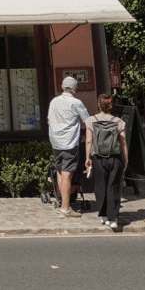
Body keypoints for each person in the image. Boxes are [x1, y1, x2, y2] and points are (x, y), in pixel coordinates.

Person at [47, 75, 89, 217]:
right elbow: (88, 122)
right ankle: (65, 208)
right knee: (67, 173)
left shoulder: (54, 101)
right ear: (75, 88)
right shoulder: (76, 103)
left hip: (55, 141)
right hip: (69, 141)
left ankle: (63, 203)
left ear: (62, 87)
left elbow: (48, 120)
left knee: (60, 171)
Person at [85, 93, 128, 232]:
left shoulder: (91, 120)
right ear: (111, 106)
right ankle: (113, 219)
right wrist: (126, 159)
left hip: (98, 157)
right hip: (115, 157)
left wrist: (88, 157)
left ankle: (103, 215)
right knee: (113, 187)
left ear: (99, 105)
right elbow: (123, 142)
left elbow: (89, 141)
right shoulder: (118, 121)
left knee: (100, 186)